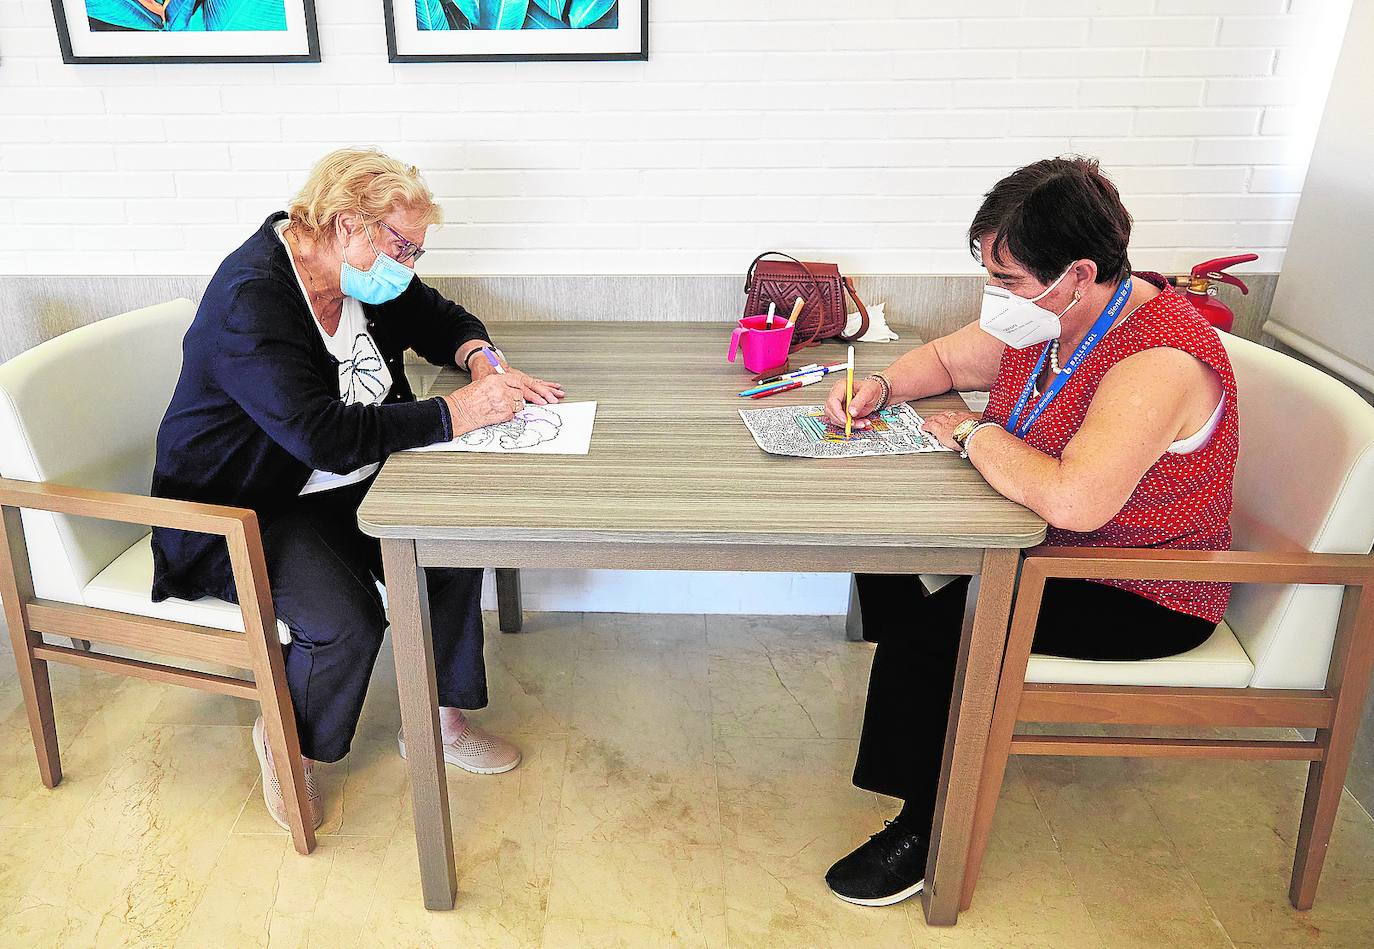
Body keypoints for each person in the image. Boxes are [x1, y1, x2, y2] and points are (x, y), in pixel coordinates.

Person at [820, 156, 1239, 906]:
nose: (998, 297)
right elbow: (948, 357)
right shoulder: (1054, 319)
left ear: (1078, 271)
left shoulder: (1158, 357)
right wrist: (878, 386)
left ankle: (923, 828)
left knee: (934, 635)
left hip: (1136, 584)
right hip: (1044, 549)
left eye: (1008, 280)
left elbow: (1076, 502)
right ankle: (930, 707)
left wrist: (975, 434)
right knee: (877, 544)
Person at [150, 148, 564, 831]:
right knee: (347, 621)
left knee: (447, 545)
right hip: (240, 511)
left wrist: (485, 363)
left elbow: (439, 319)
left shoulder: (362, 276)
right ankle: (292, 748)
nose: (408, 266)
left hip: (329, 489)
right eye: (402, 247)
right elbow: (324, 436)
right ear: (347, 226)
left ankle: (437, 717)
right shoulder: (251, 300)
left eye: (415, 251)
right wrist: (459, 412)